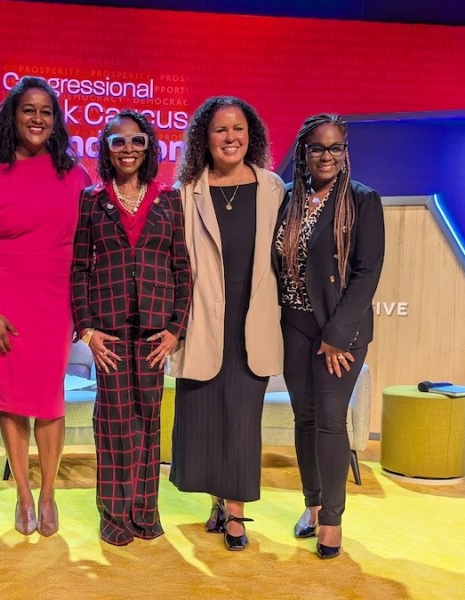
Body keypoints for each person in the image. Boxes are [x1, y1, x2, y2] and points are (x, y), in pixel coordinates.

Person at [0, 76, 90, 536]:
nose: (37, 119)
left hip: (56, 302)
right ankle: (22, 495)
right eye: (28, 110)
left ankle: (49, 493)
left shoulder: (75, 175)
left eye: (46, 112)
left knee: (50, 401)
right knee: (12, 402)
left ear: (55, 122)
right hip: (5, 301)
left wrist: (84, 308)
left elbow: (88, 245)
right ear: (12, 117)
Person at [168, 96, 285, 551]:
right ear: (205, 137)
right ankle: (218, 501)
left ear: (250, 135)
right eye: (220, 130)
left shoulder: (273, 187)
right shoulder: (185, 191)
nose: (230, 137)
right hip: (202, 324)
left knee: (240, 422)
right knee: (204, 422)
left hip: (252, 324)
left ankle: (236, 514)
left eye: (238, 129)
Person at [71, 110, 192, 546]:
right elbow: (80, 269)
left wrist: (176, 329)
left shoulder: (169, 200)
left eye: (136, 141)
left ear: (149, 147)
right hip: (109, 334)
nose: (128, 149)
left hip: (156, 332)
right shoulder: (90, 200)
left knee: (148, 423)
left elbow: (182, 269)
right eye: (118, 141)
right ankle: (114, 514)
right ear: (104, 147)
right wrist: (86, 329)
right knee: (114, 424)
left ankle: (145, 513)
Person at [275, 113, 384, 559]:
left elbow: (366, 272)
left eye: (335, 147)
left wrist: (338, 335)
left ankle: (333, 522)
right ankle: (313, 504)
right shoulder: (287, 199)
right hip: (295, 326)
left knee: (330, 419)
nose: (327, 155)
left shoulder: (362, 200)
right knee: (303, 417)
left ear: (345, 153)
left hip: (340, 331)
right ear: (303, 152)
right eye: (318, 147)